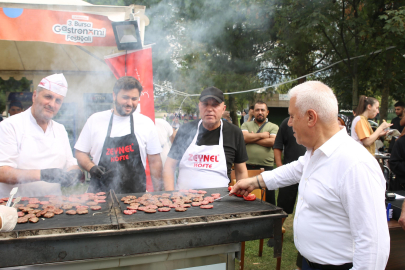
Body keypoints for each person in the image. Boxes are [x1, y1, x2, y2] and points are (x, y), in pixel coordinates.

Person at [231, 81, 390, 270]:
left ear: (310, 117)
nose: (289, 123)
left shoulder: (356, 165)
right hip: (308, 262)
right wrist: (254, 182)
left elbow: (373, 246)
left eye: (291, 116)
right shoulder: (315, 152)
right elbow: (294, 169)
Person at [75, 76, 163, 193]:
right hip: (99, 196)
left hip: (136, 196)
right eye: (125, 97)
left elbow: (155, 160)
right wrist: (91, 168)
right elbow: (80, 152)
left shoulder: (146, 123)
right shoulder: (95, 120)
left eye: (134, 99)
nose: (129, 103)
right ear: (114, 95)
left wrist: (158, 192)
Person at [0, 74, 83, 198]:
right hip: (17, 206)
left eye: (58, 101)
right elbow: (3, 172)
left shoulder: (60, 129)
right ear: (34, 96)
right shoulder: (9, 126)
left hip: (53, 204)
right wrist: (42, 174)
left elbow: (70, 163)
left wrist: (75, 172)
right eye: (48, 97)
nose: (52, 104)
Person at [163, 86, 248, 190]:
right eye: (205, 104)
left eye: (215, 105)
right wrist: (170, 196)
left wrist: (241, 196)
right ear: (199, 106)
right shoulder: (186, 130)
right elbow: (169, 166)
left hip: (221, 201)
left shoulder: (234, 132)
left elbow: (241, 171)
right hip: (183, 200)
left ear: (223, 109)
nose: (209, 109)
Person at [241, 101, 278, 205]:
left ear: (267, 112)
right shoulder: (246, 124)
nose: (260, 112)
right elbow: (243, 138)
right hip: (247, 166)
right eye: (257, 110)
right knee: (247, 196)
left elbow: (272, 142)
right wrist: (263, 135)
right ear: (253, 112)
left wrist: (252, 138)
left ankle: (270, 217)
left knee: (269, 198)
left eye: (262, 110)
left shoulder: (273, 126)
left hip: (267, 167)